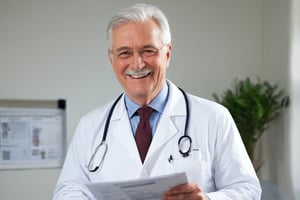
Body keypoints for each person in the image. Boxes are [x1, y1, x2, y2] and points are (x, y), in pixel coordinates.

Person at [54, 3, 261, 199]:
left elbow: (248, 190)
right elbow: (68, 191)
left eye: (148, 50)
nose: (137, 63)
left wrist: (206, 199)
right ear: (112, 59)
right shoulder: (90, 127)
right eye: (125, 53)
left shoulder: (214, 118)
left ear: (167, 53)